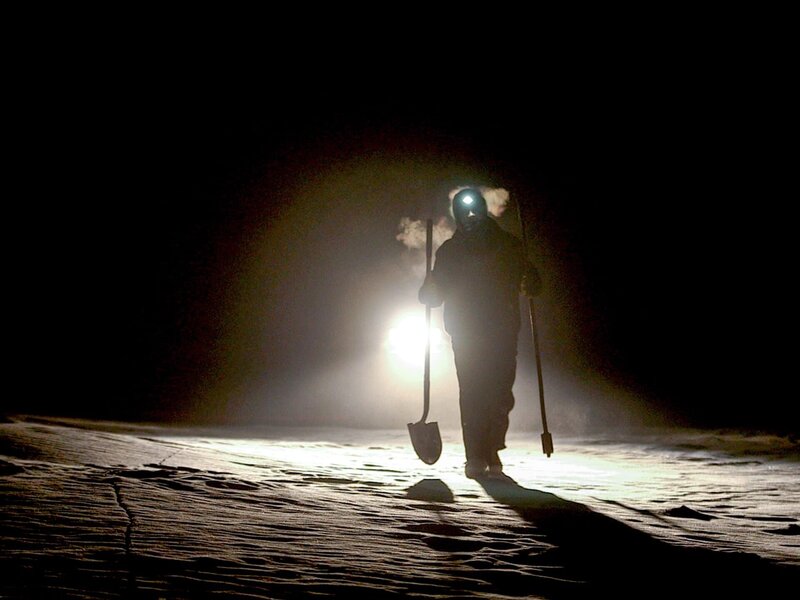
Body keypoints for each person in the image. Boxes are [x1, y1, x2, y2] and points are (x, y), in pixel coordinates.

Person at [419, 188, 542, 479]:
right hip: (466, 331)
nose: (471, 217)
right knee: (473, 392)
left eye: (475, 210)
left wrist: (531, 281)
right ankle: (476, 454)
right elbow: (437, 291)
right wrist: (429, 291)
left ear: (484, 211)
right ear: (458, 216)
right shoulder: (450, 251)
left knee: (500, 393)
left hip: (502, 328)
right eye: (465, 212)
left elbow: (532, 281)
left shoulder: (510, 246)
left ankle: (491, 448)